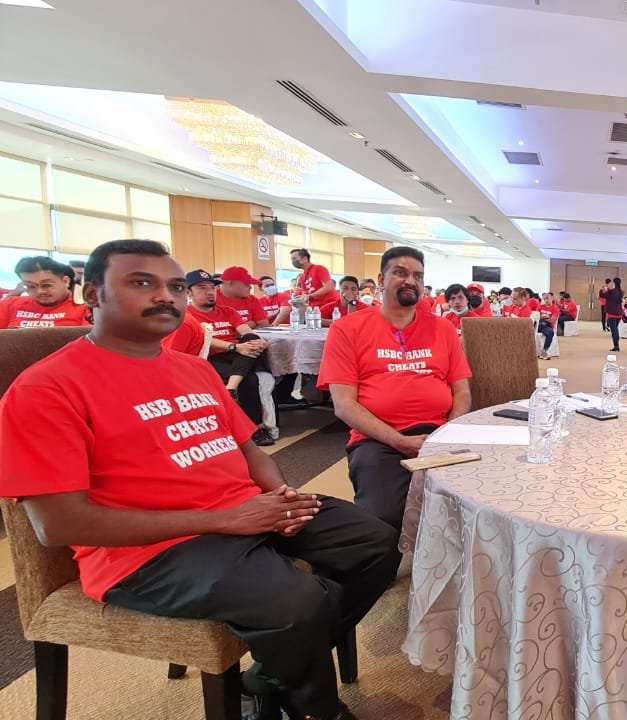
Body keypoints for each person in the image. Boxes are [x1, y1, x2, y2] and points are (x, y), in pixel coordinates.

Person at [0, 239, 397, 720]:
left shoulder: (194, 369)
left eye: (174, 286)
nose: (165, 296)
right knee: (298, 601)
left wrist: (279, 497)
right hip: (149, 552)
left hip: (245, 512)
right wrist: (227, 520)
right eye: (141, 283)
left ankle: (273, 674)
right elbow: (58, 525)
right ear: (92, 294)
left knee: (375, 543)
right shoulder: (46, 388)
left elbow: (249, 451)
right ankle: (316, 707)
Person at [318, 246, 473, 532]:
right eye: (400, 273)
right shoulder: (347, 329)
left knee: (475, 503)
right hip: (378, 438)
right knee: (384, 519)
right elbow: (344, 405)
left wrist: (447, 435)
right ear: (381, 279)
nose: (411, 281)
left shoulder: (443, 329)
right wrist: (399, 441)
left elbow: (461, 392)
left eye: (418, 276)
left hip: (439, 433)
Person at [185, 269, 275, 446]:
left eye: (212, 288)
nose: (209, 292)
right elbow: (202, 338)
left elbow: (246, 332)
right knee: (249, 380)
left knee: (252, 337)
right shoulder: (186, 315)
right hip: (209, 357)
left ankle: (231, 387)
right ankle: (256, 428)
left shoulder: (228, 312)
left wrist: (258, 342)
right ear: (189, 292)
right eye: (202, 288)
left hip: (238, 355)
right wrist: (235, 346)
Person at [0, 256, 90, 328]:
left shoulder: (86, 308)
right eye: (31, 286)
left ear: (66, 281)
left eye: (47, 285)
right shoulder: (10, 305)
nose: (40, 291)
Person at [603, 276, 625, 352]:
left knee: (614, 331)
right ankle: (616, 345)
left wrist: (607, 289)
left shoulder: (611, 291)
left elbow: (604, 295)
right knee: (615, 329)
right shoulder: (621, 291)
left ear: (614, 283)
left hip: (612, 314)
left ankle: (616, 346)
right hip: (619, 313)